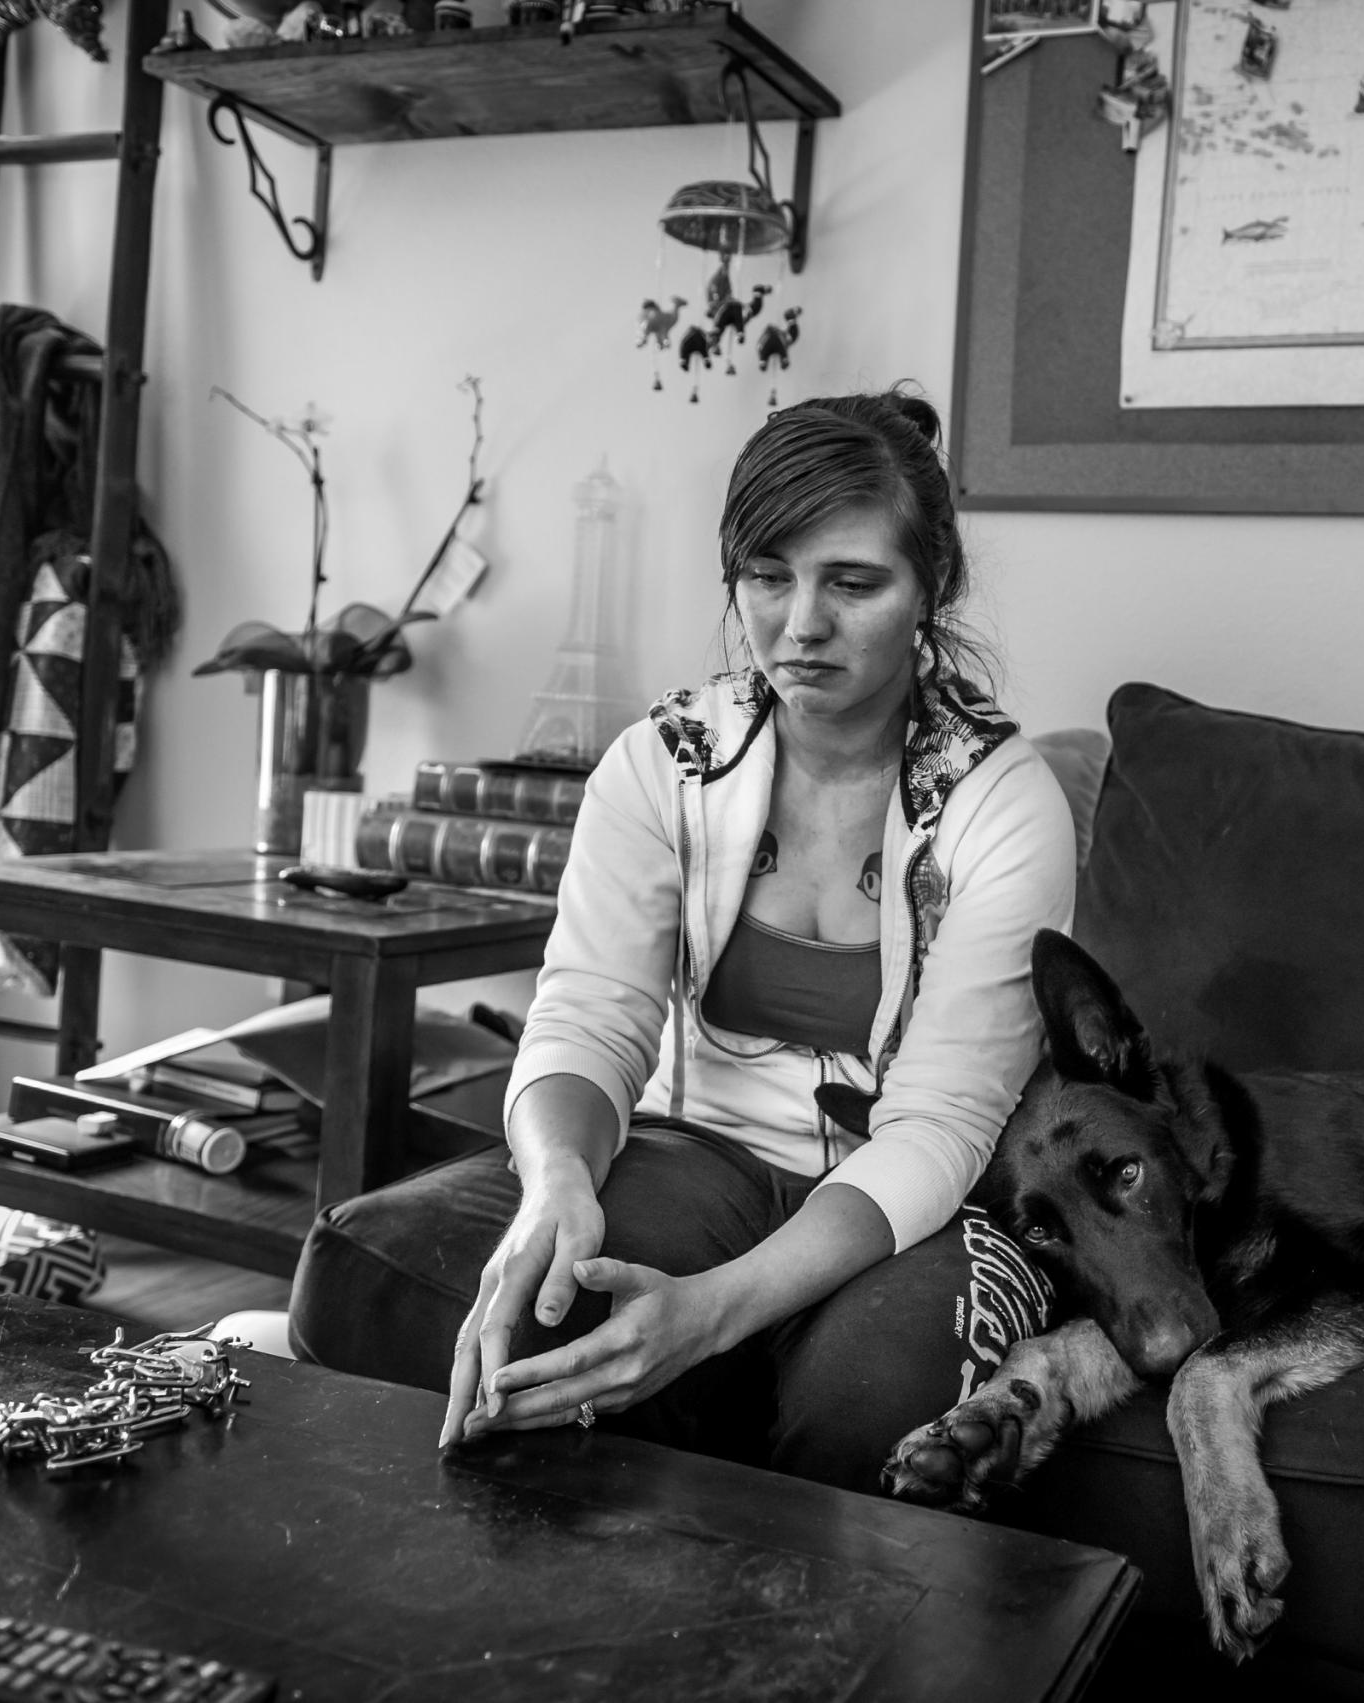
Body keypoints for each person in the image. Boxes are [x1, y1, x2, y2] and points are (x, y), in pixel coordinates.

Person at [435, 390, 1076, 1494]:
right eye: (768, 575)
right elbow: (590, 1014)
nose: (800, 624)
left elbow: (944, 1120)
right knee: (536, 1320)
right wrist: (554, 1181)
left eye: (853, 583)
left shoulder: (1004, 804)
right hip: (695, 1152)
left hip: (918, 1201)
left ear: (931, 586)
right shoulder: (662, 762)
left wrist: (711, 1312)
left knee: (866, 1405)